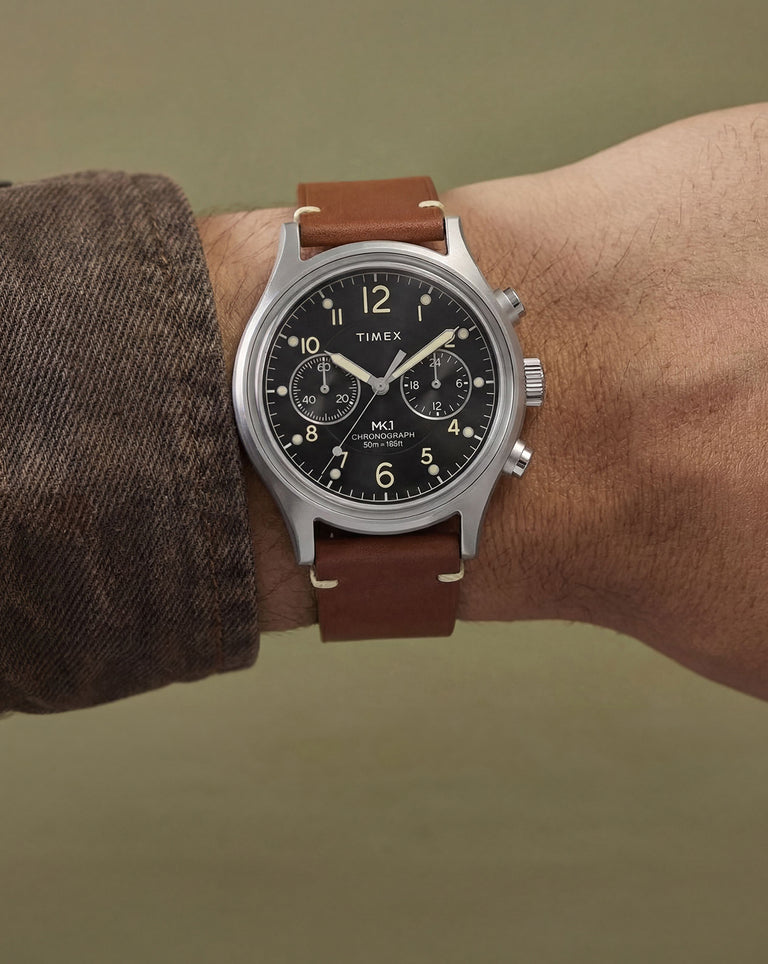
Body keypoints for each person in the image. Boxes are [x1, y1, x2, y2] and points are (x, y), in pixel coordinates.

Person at [2, 103, 767, 713]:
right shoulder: (290, 358)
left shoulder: (491, 398)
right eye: (352, 381)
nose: (375, 390)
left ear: (520, 378)